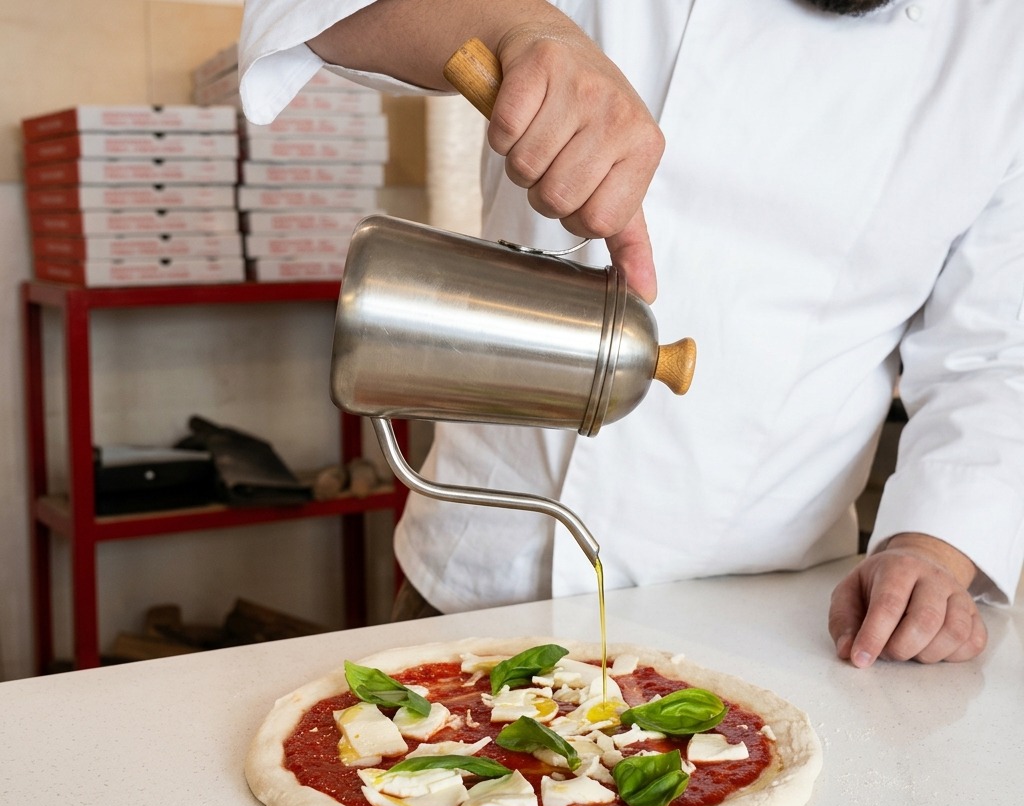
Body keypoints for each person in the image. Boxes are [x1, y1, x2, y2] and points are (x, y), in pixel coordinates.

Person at [239, 1, 1024, 667]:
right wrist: (515, 26)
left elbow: (995, 358)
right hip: (473, 591)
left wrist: (930, 551)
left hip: (777, 628)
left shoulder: (1002, 42)